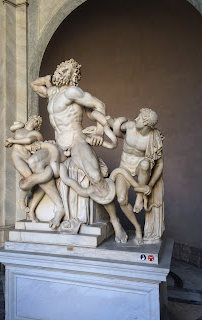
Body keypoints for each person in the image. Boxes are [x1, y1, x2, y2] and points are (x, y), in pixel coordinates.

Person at [30, 59, 127, 242]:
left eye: (65, 69)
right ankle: (59, 207)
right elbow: (33, 85)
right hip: (58, 146)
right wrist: (47, 78)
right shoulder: (52, 93)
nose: (60, 71)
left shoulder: (73, 92)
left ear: (73, 75)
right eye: (59, 68)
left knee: (96, 176)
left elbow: (99, 105)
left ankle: (115, 222)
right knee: (35, 162)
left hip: (76, 141)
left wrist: (99, 131)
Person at [111, 108, 164, 244]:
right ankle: (137, 227)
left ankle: (140, 197)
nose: (136, 119)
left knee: (146, 163)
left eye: (140, 118)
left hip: (141, 170)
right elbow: (114, 125)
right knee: (122, 199)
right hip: (124, 168)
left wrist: (150, 186)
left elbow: (159, 165)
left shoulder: (154, 138)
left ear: (147, 124)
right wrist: (103, 122)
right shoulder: (129, 126)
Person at [5, 115, 65, 227]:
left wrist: (13, 140)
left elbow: (29, 141)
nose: (32, 121)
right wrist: (9, 142)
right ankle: (22, 200)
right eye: (32, 118)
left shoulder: (36, 134)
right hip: (17, 157)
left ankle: (30, 208)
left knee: (32, 178)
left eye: (36, 121)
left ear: (37, 127)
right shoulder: (20, 130)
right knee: (30, 178)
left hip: (28, 158)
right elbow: (13, 131)